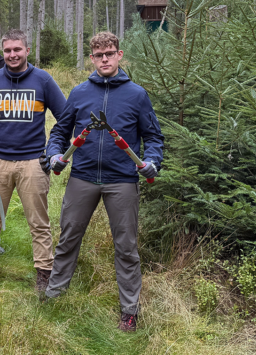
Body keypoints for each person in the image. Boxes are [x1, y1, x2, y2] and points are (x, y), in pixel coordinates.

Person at [44, 32, 164, 332]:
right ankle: (55, 294)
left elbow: (153, 137)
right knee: (68, 238)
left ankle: (129, 311)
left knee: (126, 247)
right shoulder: (80, 93)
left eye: (110, 53)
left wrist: (152, 161)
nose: (105, 59)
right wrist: (54, 155)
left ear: (119, 54)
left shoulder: (137, 95)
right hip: (82, 177)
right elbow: (59, 132)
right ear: (92, 57)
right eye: (99, 55)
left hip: (122, 180)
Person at [0, 29, 66, 293]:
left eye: (17, 49)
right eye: (8, 50)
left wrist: (54, 150)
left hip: (33, 163)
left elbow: (66, 116)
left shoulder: (43, 80)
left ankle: (44, 275)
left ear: (27, 50)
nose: (13, 55)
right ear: (3, 52)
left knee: (39, 222)